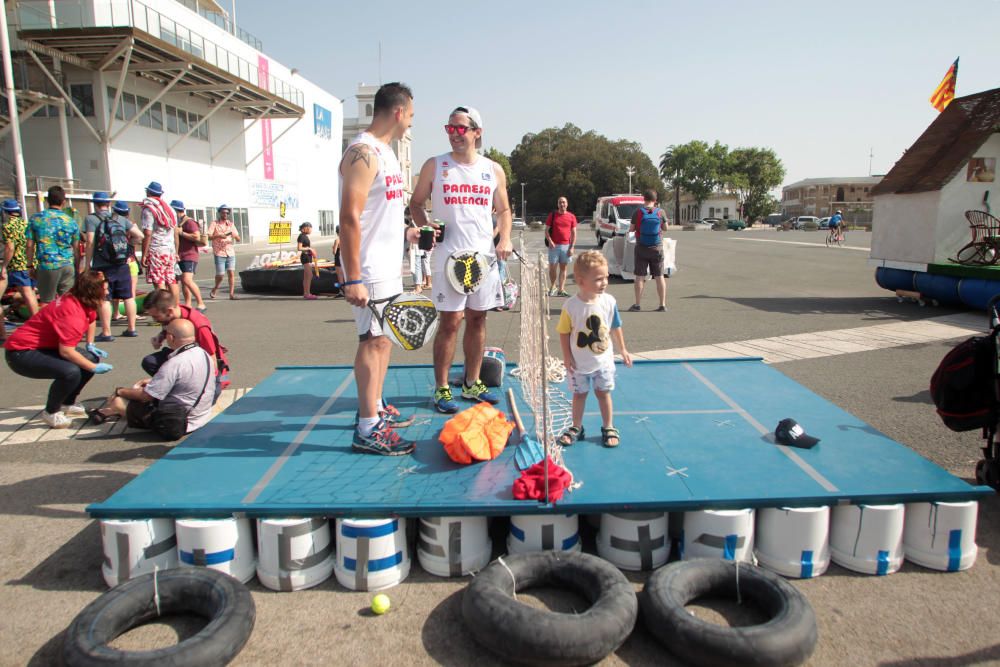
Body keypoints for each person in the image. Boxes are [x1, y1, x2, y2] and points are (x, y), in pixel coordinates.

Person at [409, 105, 513, 414]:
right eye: (450, 129)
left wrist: (504, 238)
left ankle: (471, 382)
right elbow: (416, 204)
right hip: (447, 258)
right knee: (450, 322)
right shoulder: (435, 165)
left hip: (482, 258)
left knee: (478, 318)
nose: (454, 134)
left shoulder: (492, 169)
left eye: (461, 129)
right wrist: (424, 225)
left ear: (476, 132)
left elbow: (504, 210)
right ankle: (442, 388)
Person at [339, 81, 420, 456]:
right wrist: (353, 276)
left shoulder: (386, 153)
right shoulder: (363, 152)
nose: (411, 124)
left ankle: (376, 411)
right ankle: (367, 426)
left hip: (388, 266)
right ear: (399, 111)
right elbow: (350, 217)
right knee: (372, 341)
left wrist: (408, 231)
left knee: (384, 340)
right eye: (412, 116)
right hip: (368, 269)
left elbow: (379, 211)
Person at [3, 270, 113, 428]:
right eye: (105, 288)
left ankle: (68, 403)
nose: (108, 291)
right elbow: (66, 351)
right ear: (93, 291)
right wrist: (93, 367)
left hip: (44, 347)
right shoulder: (72, 312)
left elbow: (91, 318)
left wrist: (90, 344)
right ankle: (51, 412)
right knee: (71, 371)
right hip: (21, 353)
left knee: (89, 358)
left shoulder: (80, 297)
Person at [88, 318, 214, 438]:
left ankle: (114, 409)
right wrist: (152, 381)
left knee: (121, 400)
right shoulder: (203, 354)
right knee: (145, 391)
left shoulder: (175, 363)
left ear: (170, 337)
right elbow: (187, 378)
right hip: (202, 415)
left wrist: (120, 391)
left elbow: (147, 395)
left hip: (179, 421)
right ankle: (109, 411)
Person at [556, 251, 632, 448]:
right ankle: (576, 427)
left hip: (603, 362)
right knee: (579, 395)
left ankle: (608, 426)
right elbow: (564, 332)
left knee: (603, 393)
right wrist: (567, 357)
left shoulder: (609, 301)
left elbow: (615, 325)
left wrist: (622, 349)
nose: (605, 282)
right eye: (599, 279)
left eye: (606, 277)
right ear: (581, 281)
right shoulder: (570, 306)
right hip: (578, 364)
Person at [141, 288, 226, 403]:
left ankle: (181, 387)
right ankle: (171, 386)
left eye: (156, 317)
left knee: (206, 398)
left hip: (204, 365)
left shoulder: (199, 326)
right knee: (149, 361)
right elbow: (167, 328)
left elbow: (212, 360)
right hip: (184, 358)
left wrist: (206, 384)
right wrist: (160, 337)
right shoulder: (172, 315)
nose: (154, 320)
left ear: (169, 311)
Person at [84, 191, 144, 342]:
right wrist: (129, 246)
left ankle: (106, 332)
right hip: (122, 263)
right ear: (109, 204)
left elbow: (90, 242)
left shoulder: (91, 219)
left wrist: (87, 264)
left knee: (104, 298)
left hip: (102, 265)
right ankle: (131, 328)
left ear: (95, 204)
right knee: (128, 297)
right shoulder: (120, 219)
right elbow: (140, 236)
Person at [26, 185, 79, 305]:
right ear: (64, 202)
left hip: (47, 265)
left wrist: (29, 266)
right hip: (67, 265)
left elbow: (29, 245)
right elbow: (76, 248)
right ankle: (66, 323)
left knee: (47, 301)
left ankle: (49, 324)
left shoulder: (36, 219)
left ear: (46, 200)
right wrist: (76, 266)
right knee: (68, 302)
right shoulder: (71, 221)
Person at [627, 189, 669, 312]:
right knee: (659, 276)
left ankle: (637, 304)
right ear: (655, 200)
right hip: (657, 248)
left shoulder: (638, 212)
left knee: (639, 277)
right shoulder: (661, 212)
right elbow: (665, 228)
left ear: (643, 199)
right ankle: (662, 305)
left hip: (641, 248)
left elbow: (631, 229)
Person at [139, 181, 180, 301]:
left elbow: (147, 233)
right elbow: (175, 232)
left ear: (148, 192)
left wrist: (144, 254)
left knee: (159, 281)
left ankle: (164, 310)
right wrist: (175, 251)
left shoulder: (149, 209)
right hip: (169, 250)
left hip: (157, 249)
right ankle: (176, 308)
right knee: (171, 280)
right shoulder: (169, 210)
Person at [2, 198, 39, 319]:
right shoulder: (26, 224)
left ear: (6, 212)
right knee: (29, 292)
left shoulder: (7, 226)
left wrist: (4, 266)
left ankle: (37, 321)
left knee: (27, 293)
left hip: (18, 264)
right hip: (31, 262)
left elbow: (10, 248)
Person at [171, 200, 208, 311]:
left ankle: (201, 303)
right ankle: (187, 304)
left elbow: (196, 236)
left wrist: (181, 233)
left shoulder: (189, 222)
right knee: (182, 282)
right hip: (179, 256)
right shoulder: (176, 222)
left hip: (189, 255)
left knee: (187, 280)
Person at [545, 196, 577, 297]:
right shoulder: (552, 215)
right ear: (557, 204)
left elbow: (574, 233)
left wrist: (572, 247)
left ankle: (561, 289)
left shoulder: (571, 216)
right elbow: (546, 230)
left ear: (567, 204)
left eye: (564, 202)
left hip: (566, 246)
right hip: (554, 246)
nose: (562, 204)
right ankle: (553, 285)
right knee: (552, 268)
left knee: (563, 268)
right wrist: (550, 241)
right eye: (560, 202)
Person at [208, 204, 240, 300]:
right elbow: (209, 236)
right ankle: (215, 288)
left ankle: (231, 294)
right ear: (220, 213)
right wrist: (218, 236)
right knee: (220, 275)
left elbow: (238, 238)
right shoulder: (214, 223)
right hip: (219, 252)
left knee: (231, 273)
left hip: (230, 252)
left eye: (227, 212)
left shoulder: (231, 224)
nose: (225, 214)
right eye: (223, 212)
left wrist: (234, 235)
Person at [298, 222, 318, 299]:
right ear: (306, 228)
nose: (311, 230)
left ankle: (306, 293)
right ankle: (307, 293)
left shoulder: (304, 236)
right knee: (309, 275)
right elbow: (299, 248)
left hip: (308, 256)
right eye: (310, 228)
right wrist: (309, 248)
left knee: (307, 276)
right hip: (305, 257)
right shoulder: (301, 237)